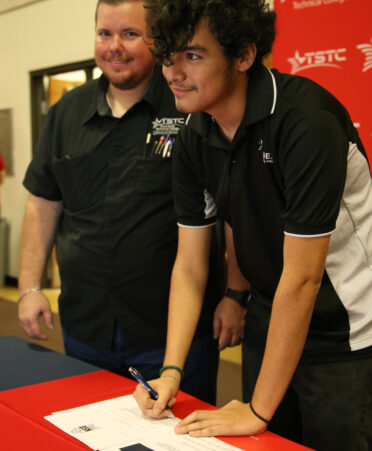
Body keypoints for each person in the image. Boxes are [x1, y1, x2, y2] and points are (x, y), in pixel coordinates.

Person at [133, 1, 372, 449]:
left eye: (193, 56)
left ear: (243, 55)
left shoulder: (306, 122)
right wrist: (171, 371)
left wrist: (259, 410)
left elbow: (302, 279)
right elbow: (189, 266)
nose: (173, 72)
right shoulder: (193, 138)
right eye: (168, 56)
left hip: (346, 335)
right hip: (269, 323)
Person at [18, 0, 246, 405]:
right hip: (86, 328)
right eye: (105, 33)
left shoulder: (189, 105)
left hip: (174, 334)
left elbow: (231, 208)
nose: (114, 47)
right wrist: (30, 286)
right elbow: (43, 202)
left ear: (156, 40)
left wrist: (235, 293)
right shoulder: (66, 113)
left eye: (130, 34)